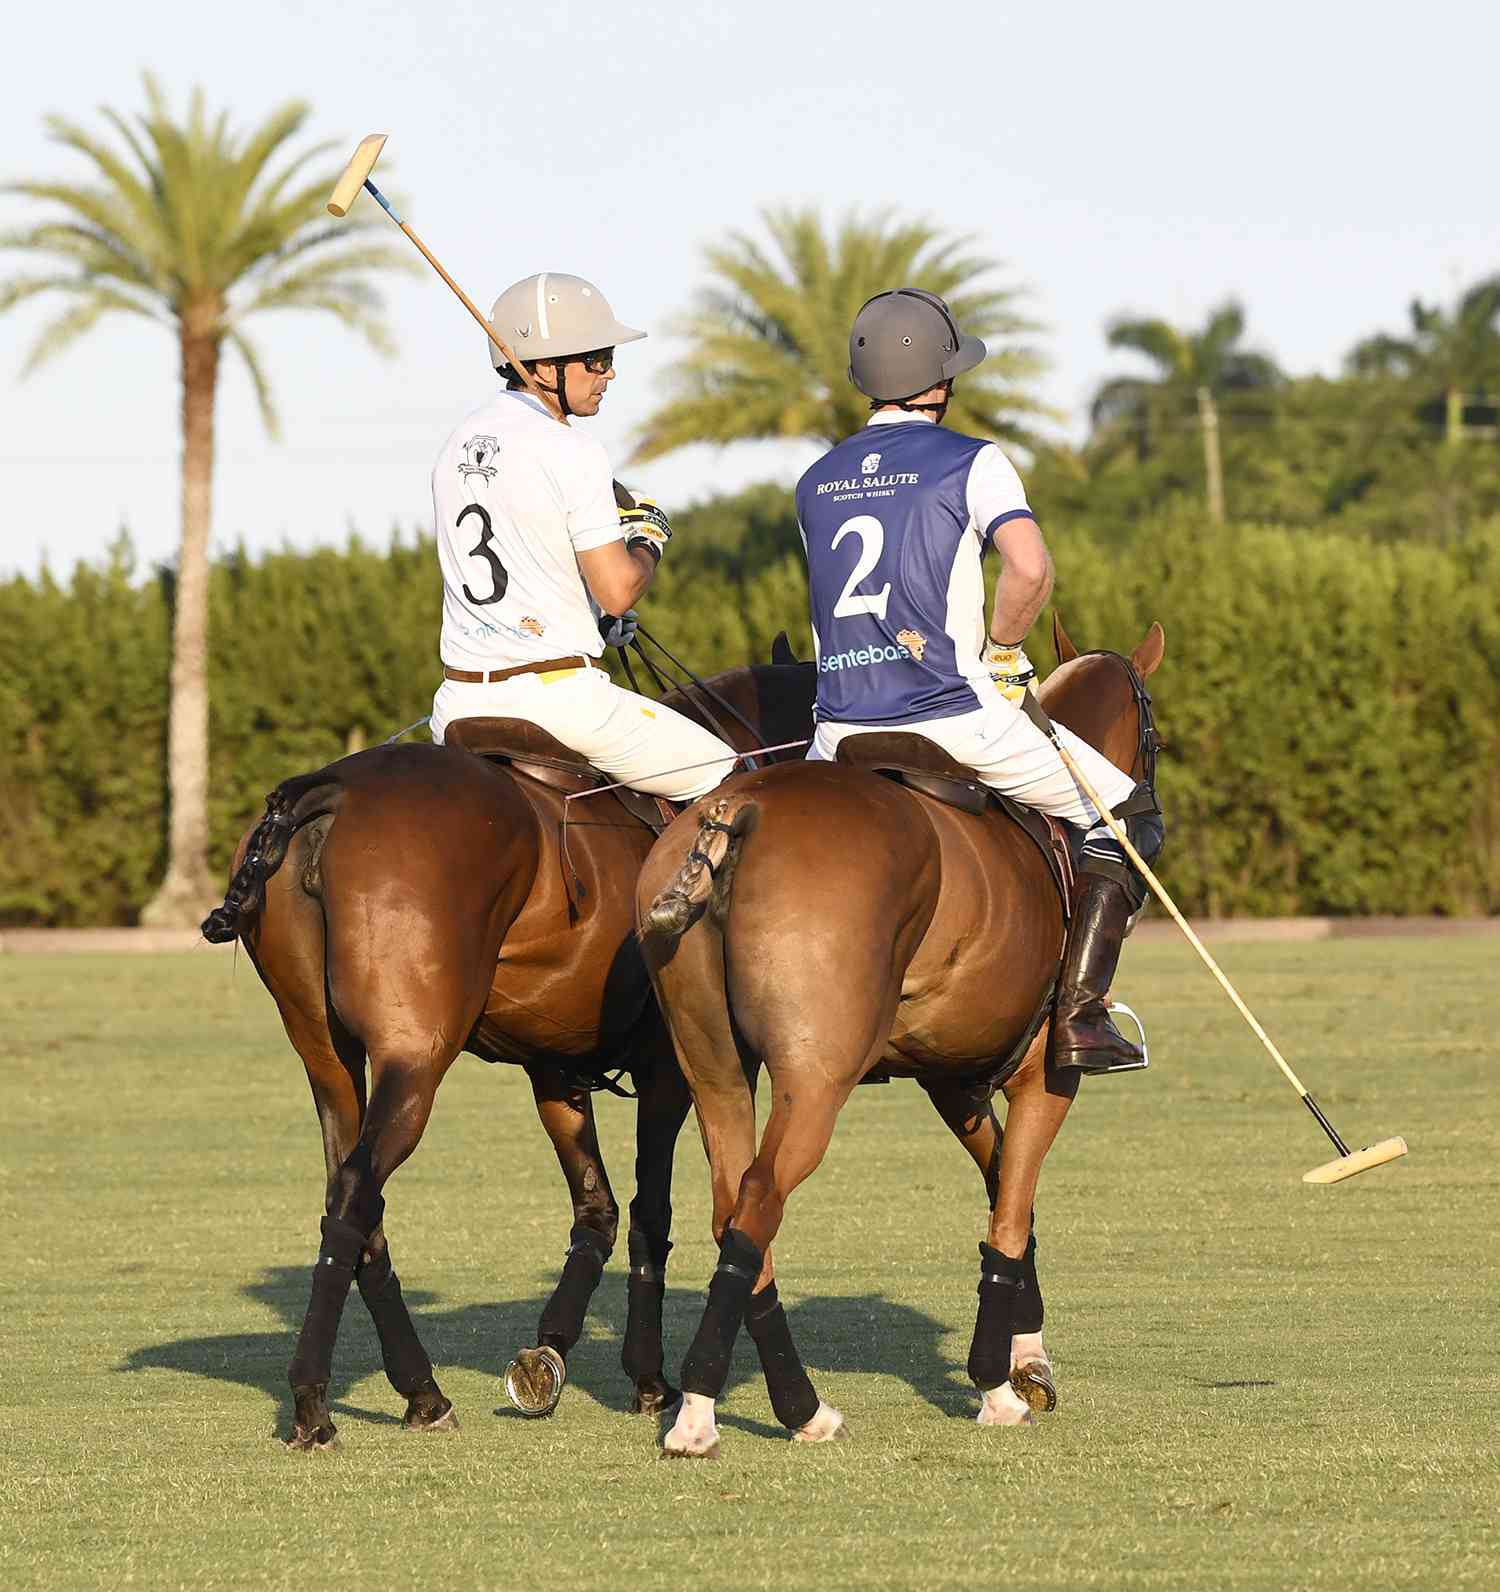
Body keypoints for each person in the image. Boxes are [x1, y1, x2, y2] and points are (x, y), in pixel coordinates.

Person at [794, 288, 1165, 1073]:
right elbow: (1030, 567)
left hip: (837, 732)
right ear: (941, 379)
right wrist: (1004, 647)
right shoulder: (973, 460)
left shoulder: (816, 480)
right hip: (951, 715)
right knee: (1129, 816)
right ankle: (1082, 1017)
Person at [428, 272, 738, 802]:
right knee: (734, 781)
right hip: (561, 702)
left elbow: (524, 566)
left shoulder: (456, 444)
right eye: (595, 359)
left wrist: (591, 622)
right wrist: (647, 538)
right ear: (545, 368)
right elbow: (619, 589)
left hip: (457, 705)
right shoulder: (573, 449)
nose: (610, 373)